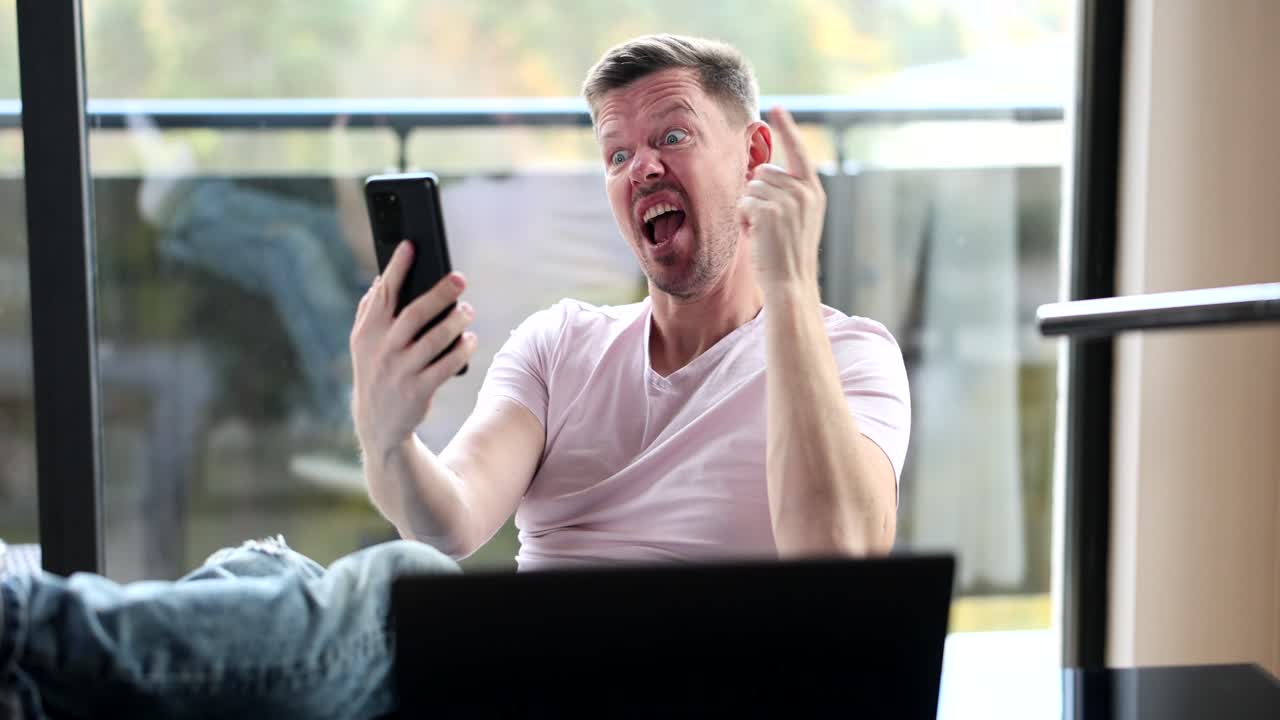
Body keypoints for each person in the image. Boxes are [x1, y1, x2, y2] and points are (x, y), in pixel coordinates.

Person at [0, 33, 910, 719]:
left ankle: (19, 620)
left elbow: (837, 561)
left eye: (672, 135)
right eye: (618, 153)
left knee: (388, 587)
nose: (643, 168)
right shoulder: (562, 343)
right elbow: (448, 517)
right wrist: (386, 434)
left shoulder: (850, 356)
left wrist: (790, 282)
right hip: (506, 672)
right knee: (259, 575)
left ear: (755, 157)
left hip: (661, 683)